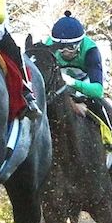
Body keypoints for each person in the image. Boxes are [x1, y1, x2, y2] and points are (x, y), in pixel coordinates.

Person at [46, 11, 111, 140]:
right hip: (59, 90)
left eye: (70, 47)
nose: (64, 52)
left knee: (107, 111)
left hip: (85, 88)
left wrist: (72, 82)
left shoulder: (91, 50)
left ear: (80, 43)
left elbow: (97, 91)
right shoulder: (48, 47)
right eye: (60, 47)